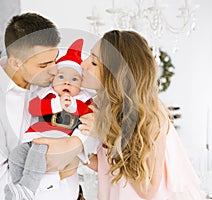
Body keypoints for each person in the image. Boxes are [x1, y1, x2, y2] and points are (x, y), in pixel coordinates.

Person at [0, 13, 92, 200]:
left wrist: (76, 144)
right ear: (16, 62)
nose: (55, 70)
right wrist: (62, 172)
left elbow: (92, 123)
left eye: (55, 59)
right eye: (44, 64)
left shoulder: (51, 85)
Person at [80, 30, 203, 199]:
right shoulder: (103, 106)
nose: (83, 64)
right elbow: (108, 166)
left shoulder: (151, 116)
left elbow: (148, 189)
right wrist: (74, 151)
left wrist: (105, 133)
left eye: (94, 63)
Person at [7, 38, 98, 199]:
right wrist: (56, 103)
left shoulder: (83, 102)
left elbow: (88, 121)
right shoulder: (47, 96)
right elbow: (33, 108)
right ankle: (18, 188)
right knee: (16, 156)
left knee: (38, 157)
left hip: (55, 141)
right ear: (53, 80)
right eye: (61, 77)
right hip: (35, 137)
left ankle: (27, 190)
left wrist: (73, 107)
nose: (67, 83)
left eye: (74, 80)